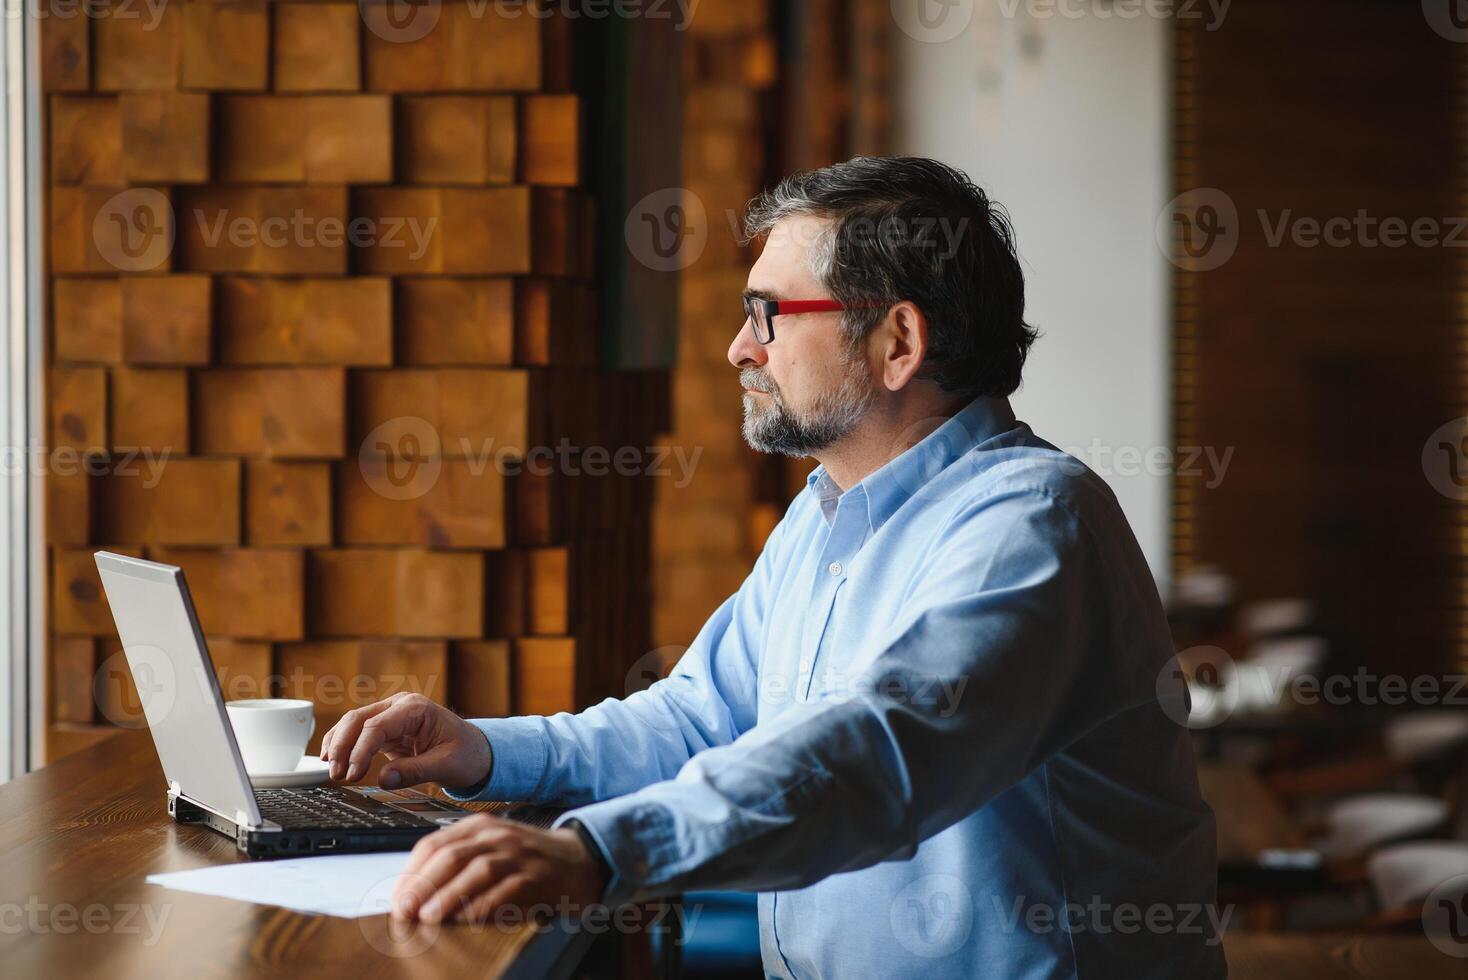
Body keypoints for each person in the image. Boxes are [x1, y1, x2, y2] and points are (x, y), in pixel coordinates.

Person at [322, 156, 1225, 979]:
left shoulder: (1034, 520)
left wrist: (600, 852)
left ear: (897, 343)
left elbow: (883, 750)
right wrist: (484, 750)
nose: (739, 349)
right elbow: (699, 719)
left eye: (768, 314)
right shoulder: (823, 512)